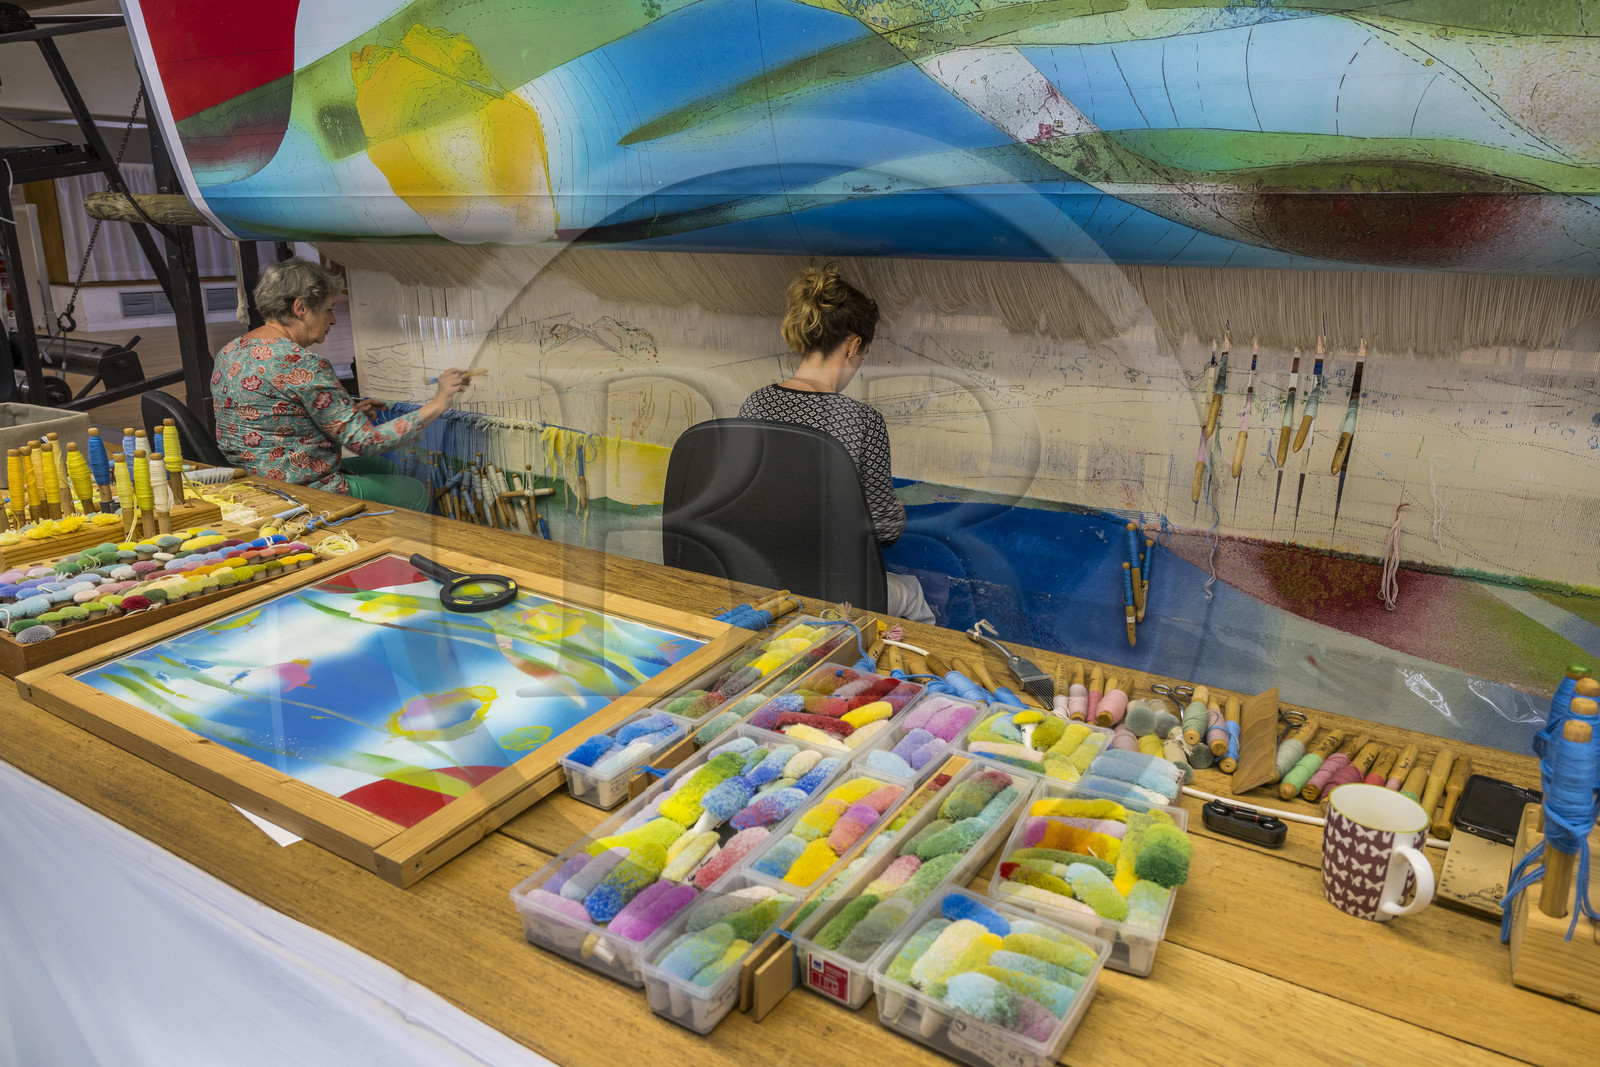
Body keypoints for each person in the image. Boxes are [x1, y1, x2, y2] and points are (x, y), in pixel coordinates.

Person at [739, 265, 935, 624]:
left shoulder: (755, 404)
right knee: (912, 594)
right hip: (832, 591)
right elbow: (885, 530)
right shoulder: (863, 422)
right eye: (863, 355)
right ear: (854, 345)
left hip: (761, 579)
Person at [212, 257, 469, 510]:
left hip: (254, 480)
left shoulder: (230, 351)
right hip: (297, 490)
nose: (333, 320)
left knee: (387, 467)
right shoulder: (301, 364)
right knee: (412, 491)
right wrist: (439, 403)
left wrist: (346, 414)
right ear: (300, 308)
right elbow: (367, 443)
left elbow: (275, 418)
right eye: (329, 309)